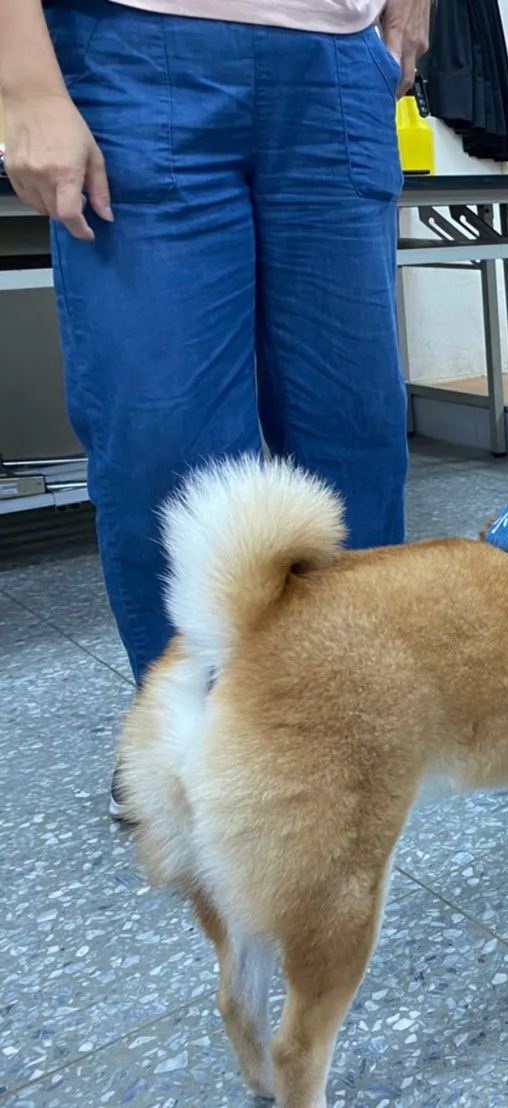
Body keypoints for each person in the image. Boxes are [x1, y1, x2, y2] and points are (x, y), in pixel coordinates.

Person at [0, 0, 429, 816]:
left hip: (336, 61)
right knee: (166, 437)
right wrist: (26, 82)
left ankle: (339, 719)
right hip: (131, 45)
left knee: (357, 434)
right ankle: (189, 728)